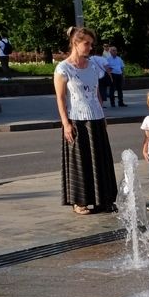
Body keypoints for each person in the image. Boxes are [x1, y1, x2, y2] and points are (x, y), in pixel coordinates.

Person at [54, 26, 118, 215]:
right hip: (77, 120)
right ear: (75, 43)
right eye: (86, 44)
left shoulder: (92, 66)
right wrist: (66, 123)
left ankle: (102, 200)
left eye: (91, 44)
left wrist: (103, 115)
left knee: (100, 161)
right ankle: (79, 201)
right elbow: (60, 98)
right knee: (80, 162)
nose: (90, 47)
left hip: (96, 119)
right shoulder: (63, 68)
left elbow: (97, 92)